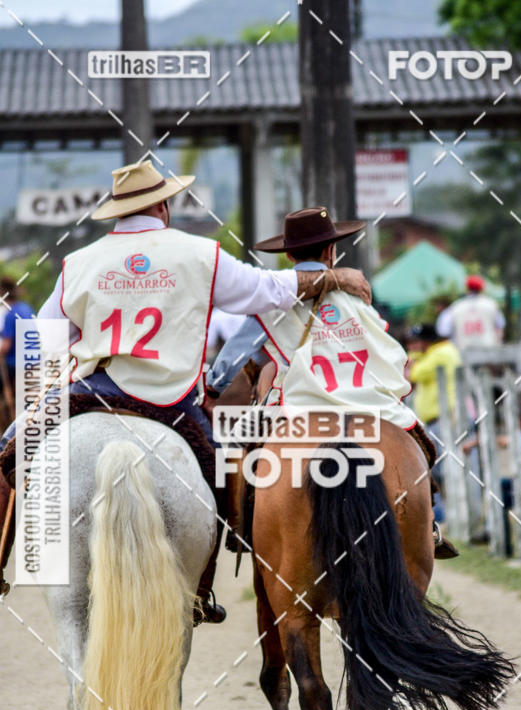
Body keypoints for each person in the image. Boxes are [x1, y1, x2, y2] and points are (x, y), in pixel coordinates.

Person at [0, 163, 371, 617]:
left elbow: (45, 336)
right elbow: (267, 291)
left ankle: (5, 558)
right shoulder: (200, 253)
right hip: (172, 401)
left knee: (12, 448)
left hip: (93, 389)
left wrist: (48, 390)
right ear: (164, 205)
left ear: (119, 211)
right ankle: (200, 590)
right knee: (219, 482)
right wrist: (334, 278)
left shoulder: (78, 262)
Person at [210, 207, 456, 558]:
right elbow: (387, 350)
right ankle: (427, 524)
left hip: (300, 408)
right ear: (331, 251)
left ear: (290, 254)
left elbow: (233, 355)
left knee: (245, 451)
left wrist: (212, 387)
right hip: (368, 404)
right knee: (422, 448)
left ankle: (243, 527)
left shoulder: (271, 301)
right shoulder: (356, 295)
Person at [406, 323, 462, 523]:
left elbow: (412, 374)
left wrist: (413, 358)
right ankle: (445, 516)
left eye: (417, 342)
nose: (413, 347)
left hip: (445, 420)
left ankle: (448, 516)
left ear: (428, 342)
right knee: (436, 469)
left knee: (444, 469)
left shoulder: (441, 354)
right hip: (436, 421)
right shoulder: (433, 354)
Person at [436, 274, 505, 352]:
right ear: (482, 288)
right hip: (489, 352)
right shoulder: (491, 305)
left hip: (463, 352)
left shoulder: (456, 307)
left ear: (467, 288)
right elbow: (500, 329)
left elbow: (444, 331)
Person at [0, 275, 35, 399]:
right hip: (33, 360)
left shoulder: (10, 314)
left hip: (16, 364)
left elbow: (6, 346)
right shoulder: (27, 308)